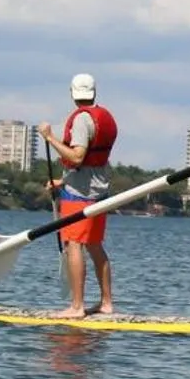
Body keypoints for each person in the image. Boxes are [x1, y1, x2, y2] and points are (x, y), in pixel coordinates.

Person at [39, 72, 118, 318]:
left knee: (74, 244)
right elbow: (91, 163)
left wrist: (49, 137)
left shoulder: (83, 120)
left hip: (80, 195)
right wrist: (63, 180)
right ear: (94, 92)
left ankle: (77, 306)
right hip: (98, 191)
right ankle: (106, 303)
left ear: (72, 94)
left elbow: (77, 157)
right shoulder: (103, 116)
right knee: (94, 245)